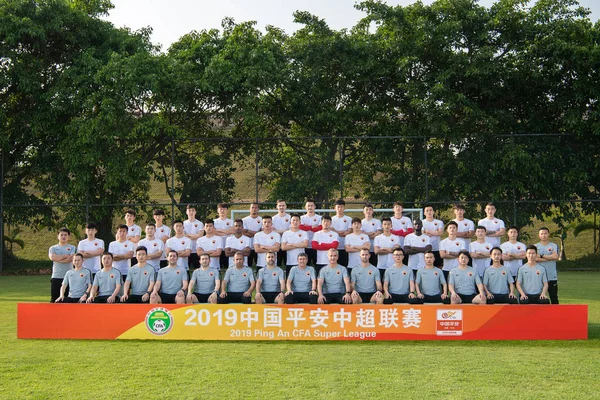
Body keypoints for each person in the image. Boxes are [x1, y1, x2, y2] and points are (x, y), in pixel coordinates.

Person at [48, 227, 76, 303]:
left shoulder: (72, 247)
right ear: (58, 236)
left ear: (69, 237)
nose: (63, 236)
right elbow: (52, 257)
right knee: (54, 299)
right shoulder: (53, 248)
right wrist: (64, 256)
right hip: (56, 276)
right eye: (61, 235)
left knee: (67, 299)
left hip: (69, 276)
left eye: (65, 235)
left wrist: (58, 258)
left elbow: (70, 259)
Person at [535, 227, 560, 304]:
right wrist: (549, 258)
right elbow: (534, 259)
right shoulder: (535, 246)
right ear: (539, 235)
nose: (543, 235)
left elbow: (555, 257)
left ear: (548, 234)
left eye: (545, 233)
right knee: (538, 297)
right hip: (538, 276)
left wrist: (541, 256)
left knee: (554, 297)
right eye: (541, 233)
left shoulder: (553, 246)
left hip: (551, 276)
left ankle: (556, 315)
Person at [299, 198, 322, 266]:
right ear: (305, 207)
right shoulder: (302, 218)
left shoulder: (320, 218)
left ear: (315, 206)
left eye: (312, 205)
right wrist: (312, 227)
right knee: (305, 265)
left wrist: (307, 227)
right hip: (305, 246)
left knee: (317, 265)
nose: (310, 207)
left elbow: (320, 229)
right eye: (308, 206)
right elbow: (301, 228)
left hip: (316, 245)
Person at [330, 199, 352, 267]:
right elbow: (331, 231)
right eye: (338, 207)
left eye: (341, 207)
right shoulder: (332, 219)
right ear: (335, 208)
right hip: (334, 248)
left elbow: (349, 231)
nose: (340, 209)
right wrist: (342, 231)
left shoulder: (349, 219)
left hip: (345, 247)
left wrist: (336, 232)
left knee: (344, 266)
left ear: (344, 208)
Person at [213, 203, 235, 270]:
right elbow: (214, 232)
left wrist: (219, 230)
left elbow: (232, 231)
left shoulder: (231, 221)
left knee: (227, 268)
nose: (222, 211)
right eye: (221, 209)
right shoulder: (214, 221)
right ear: (218, 210)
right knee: (218, 268)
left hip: (228, 247)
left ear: (227, 210)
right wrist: (226, 232)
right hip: (217, 248)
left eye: (224, 209)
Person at [184, 204, 204, 270]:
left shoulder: (200, 223)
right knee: (186, 270)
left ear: (195, 212)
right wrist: (196, 235)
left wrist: (188, 235)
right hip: (186, 251)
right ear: (186, 212)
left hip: (196, 250)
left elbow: (200, 235)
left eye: (193, 210)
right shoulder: (183, 224)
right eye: (189, 210)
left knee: (198, 270)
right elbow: (183, 236)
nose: (191, 212)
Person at [242, 202, 262, 267]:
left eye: (256, 207)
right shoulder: (244, 220)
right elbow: (243, 233)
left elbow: (263, 233)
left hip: (259, 247)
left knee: (259, 266)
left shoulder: (262, 220)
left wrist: (248, 231)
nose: (254, 209)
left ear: (258, 209)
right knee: (247, 266)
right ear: (249, 209)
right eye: (252, 207)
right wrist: (258, 233)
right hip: (247, 247)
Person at [272, 199, 291, 265]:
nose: (281, 207)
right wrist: (285, 231)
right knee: (277, 264)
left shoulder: (290, 218)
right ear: (277, 206)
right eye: (280, 205)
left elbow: (291, 231)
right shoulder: (273, 219)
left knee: (288, 264)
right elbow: (272, 232)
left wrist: (277, 231)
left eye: (283, 205)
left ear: (286, 206)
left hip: (288, 244)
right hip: (277, 244)